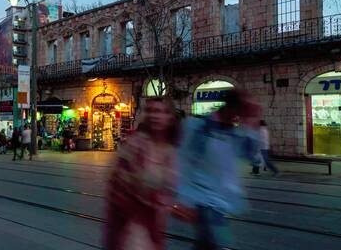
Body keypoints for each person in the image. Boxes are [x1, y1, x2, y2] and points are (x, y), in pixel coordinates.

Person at [175, 89, 262, 250]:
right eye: (242, 111)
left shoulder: (233, 133)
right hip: (202, 200)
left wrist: (253, 121)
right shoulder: (198, 128)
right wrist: (184, 199)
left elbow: (254, 156)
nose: (240, 117)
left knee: (207, 244)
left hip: (220, 203)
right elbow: (184, 162)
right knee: (220, 242)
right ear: (231, 108)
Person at [104, 98, 180, 250]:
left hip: (155, 225)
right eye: (150, 111)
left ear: (170, 117)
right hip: (133, 225)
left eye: (159, 111)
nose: (154, 116)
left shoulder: (173, 151)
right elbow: (116, 182)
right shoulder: (135, 144)